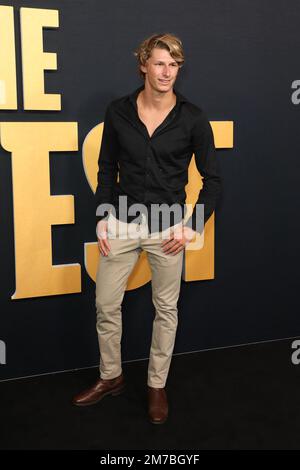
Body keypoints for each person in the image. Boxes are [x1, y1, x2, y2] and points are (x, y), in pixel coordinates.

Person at [73, 32, 222, 424]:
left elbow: (214, 181)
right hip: (121, 220)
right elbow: (106, 167)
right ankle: (112, 377)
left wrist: (191, 226)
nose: (166, 71)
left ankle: (156, 384)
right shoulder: (117, 111)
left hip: (167, 227)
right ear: (143, 65)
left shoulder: (193, 117)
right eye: (159, 63)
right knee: (106, 305)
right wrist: (103, 216)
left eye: (173, 64)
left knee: (166, 310)